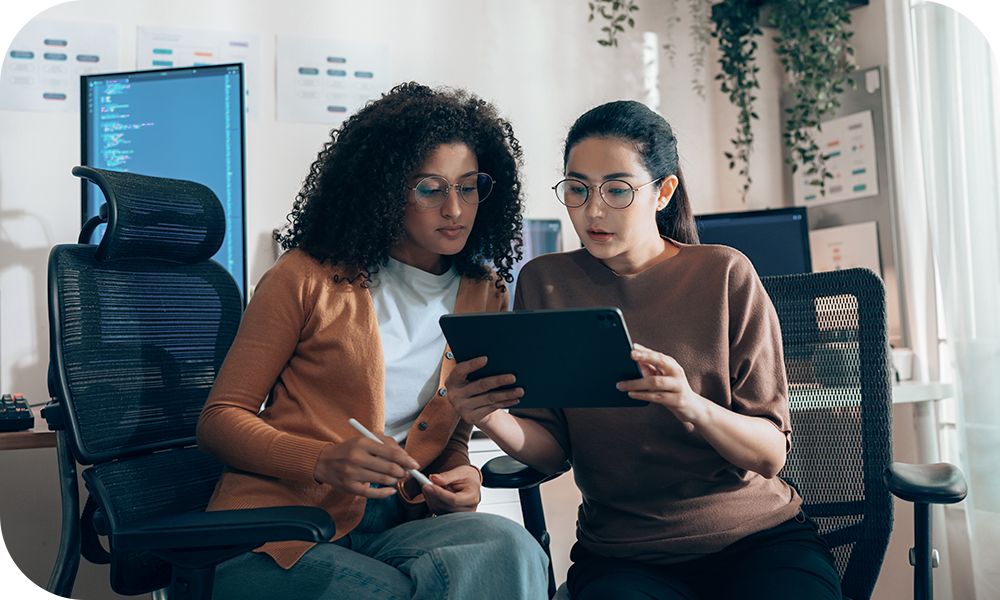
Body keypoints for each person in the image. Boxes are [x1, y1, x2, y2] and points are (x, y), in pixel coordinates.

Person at [445, 100, 843, 600]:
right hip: (624, 556)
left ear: (663, 192)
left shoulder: (724, 274)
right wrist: (491, 416)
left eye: (617, 190)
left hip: (758, 541)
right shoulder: (546, 283)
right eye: (578, 189)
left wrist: (690, 404)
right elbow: (551, 451)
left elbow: (768, 456)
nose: (593, 211)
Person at [198, 82, 548, 600]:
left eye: (469, 186)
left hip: (395, 527)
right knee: (396, 593)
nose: (455, 208)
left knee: (511, 547)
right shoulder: (304, 277)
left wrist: (460, 474)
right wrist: (321, 460)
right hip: (278, 533)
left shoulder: (484, 293)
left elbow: (447, 433)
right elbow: (219, 420)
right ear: (384, 191)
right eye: (431, 188)